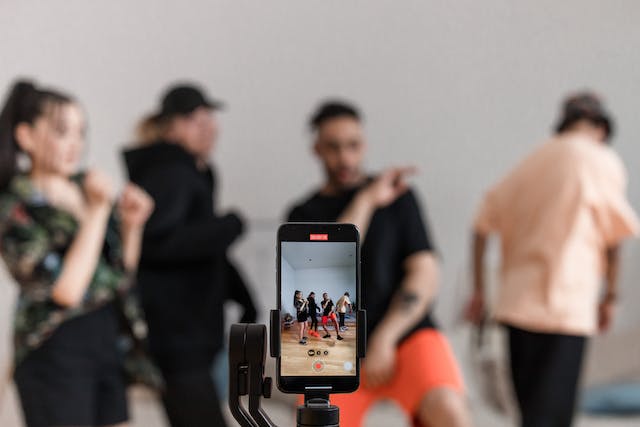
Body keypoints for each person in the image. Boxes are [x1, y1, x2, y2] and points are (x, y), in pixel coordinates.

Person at [287, 100, 471, 426]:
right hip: (333, 344)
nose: (345, 158)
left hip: (404, 334)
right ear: (316, 149)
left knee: (450, 412)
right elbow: (327, 267)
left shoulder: (400, 198)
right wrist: (367, 200)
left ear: (364, 144)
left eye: (353, 146)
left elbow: (425, 273)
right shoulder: (303, 214)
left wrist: (385, 338)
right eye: (333, 148)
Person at [464, 92, 639, 427]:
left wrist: (480, 292)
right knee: (553, 418)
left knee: (531, 415)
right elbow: (615, 239)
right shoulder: (601, 160)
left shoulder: (532, 161)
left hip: (516, 306)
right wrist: (611, 297)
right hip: (566, 308)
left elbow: (481, 224)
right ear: (601, 127)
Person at [0, 80, 156, 427]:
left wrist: (132, 226)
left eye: (80, 132)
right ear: (25, 137)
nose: (75, 144)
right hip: (54, 349)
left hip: (104, 340)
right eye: (61, 131)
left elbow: (118, 273)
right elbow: (66, 291)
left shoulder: (84, 186)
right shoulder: (15, 206)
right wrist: (98, 212)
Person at [123, 83, 256, 427]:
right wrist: (229, 226)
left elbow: (201, 249)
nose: (209, 127)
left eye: (209, 118)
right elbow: (156, 244)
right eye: (197, 120)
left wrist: (244, 296)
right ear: (172, 127)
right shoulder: (171, 172)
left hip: (192, 334)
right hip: (178, 338)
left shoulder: (191, 171)